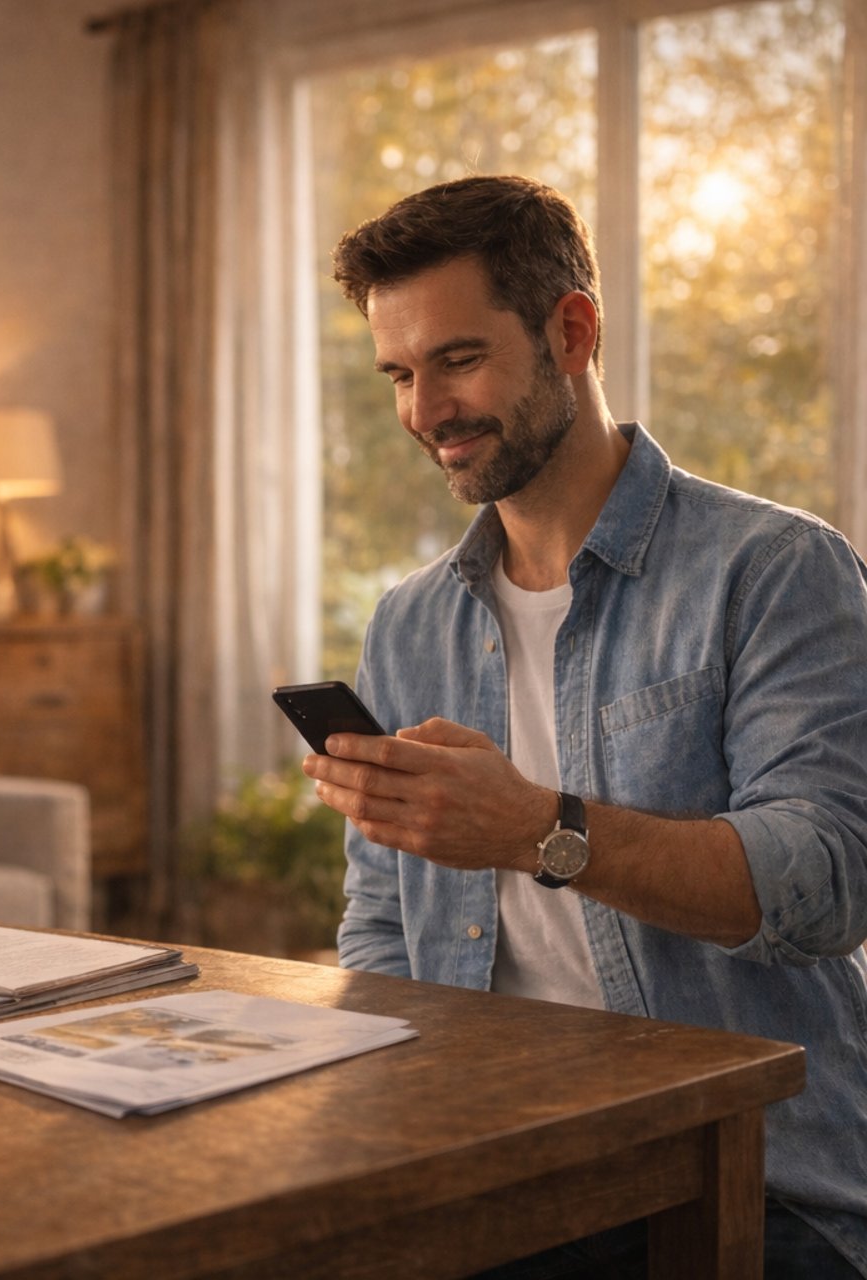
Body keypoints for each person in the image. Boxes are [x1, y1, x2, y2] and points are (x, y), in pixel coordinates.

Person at [311, 174, 867, 1278]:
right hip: (495, 1154)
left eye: (458, 360)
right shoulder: (409, 622)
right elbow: (382, 920)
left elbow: (831, 880)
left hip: (750, 1177)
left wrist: (535, 831)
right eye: (400, 375)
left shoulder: (775, 569)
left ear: (573, 331)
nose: (424, 414)